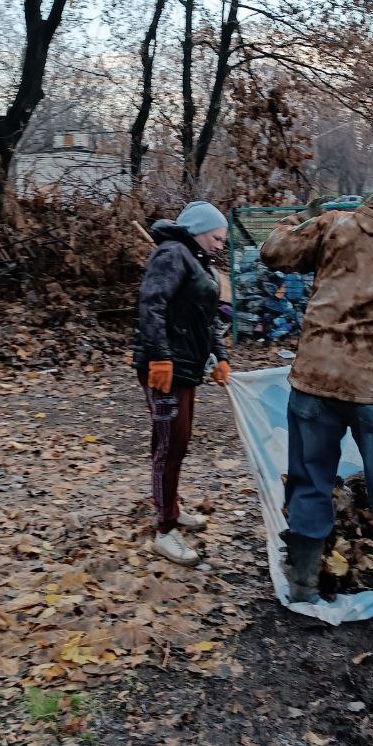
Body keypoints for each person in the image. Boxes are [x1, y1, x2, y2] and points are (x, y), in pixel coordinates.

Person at [259, 177, 373, 611]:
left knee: (309, 479)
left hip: (314, 381)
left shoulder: (334, 225)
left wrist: (302, 216)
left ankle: (303, 581)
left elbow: (273, 251)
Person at [134, 201, 231, 566]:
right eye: (216, 237)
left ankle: (171, 510)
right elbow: (151, 303)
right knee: (168, 445)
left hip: (186, 367)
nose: (221, 245)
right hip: (165, 368)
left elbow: (204, 320)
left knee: (179, 442)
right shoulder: (172, 254)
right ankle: (165, 531)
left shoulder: (198, 261)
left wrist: (219, 356)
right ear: (198, 231)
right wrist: (159, 356)